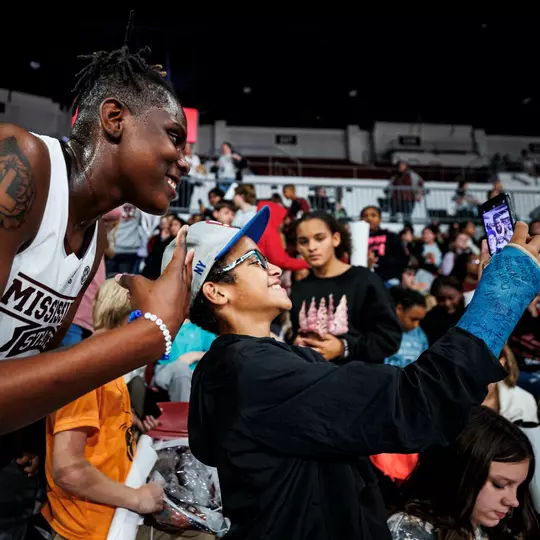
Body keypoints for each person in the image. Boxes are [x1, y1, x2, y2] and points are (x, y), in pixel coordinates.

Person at [161, 207, 540, 540]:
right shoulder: (253, 372)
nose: (276, 266)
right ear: (216, 292)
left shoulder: (249, 365)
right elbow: (412, 402)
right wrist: (506, 288)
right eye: (255, 262)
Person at [0, 41, 192, 438]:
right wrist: (147, 334)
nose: (185, 161)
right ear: (114, 118)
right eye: (174, 136)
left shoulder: (93, 241)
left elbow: (37, 371)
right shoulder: (20, 162)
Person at [42, 279, 163, 539]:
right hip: (87, 529)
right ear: (132, 320)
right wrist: (136, 498)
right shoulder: (86, 370)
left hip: (112, 517)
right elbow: (68, 470)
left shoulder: (108, 368)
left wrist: (135, 425)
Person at [388, 406, 539, 540]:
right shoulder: (409, 530)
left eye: (519, 487)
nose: (514, 501)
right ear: (459, 475)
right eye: (500, 485)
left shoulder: (498, 526)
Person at [291, 211, 400, 363]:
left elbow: (389, 339)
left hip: (358, 381)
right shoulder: (299, 289)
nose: (311, 247)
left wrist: (344, 347)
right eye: (303, 241)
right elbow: (296, 334)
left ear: (335, 239)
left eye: (320, 238)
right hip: (312, 381)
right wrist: (295, 345)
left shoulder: (365, 281)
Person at [361, 205, 408, 284]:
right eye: (365, 216)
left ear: (380, 219)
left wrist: (379, 260)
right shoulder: (356, 239)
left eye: (373, 215)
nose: (369, 219)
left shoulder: (391, 236)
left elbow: (402, 260)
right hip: (363, 280)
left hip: (388, 280)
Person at [385, 287, 428, 368]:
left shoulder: (420, 335)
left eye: (419, 320)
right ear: (399, 309)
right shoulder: (380, 333)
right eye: (413, 319)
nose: (416, 325)